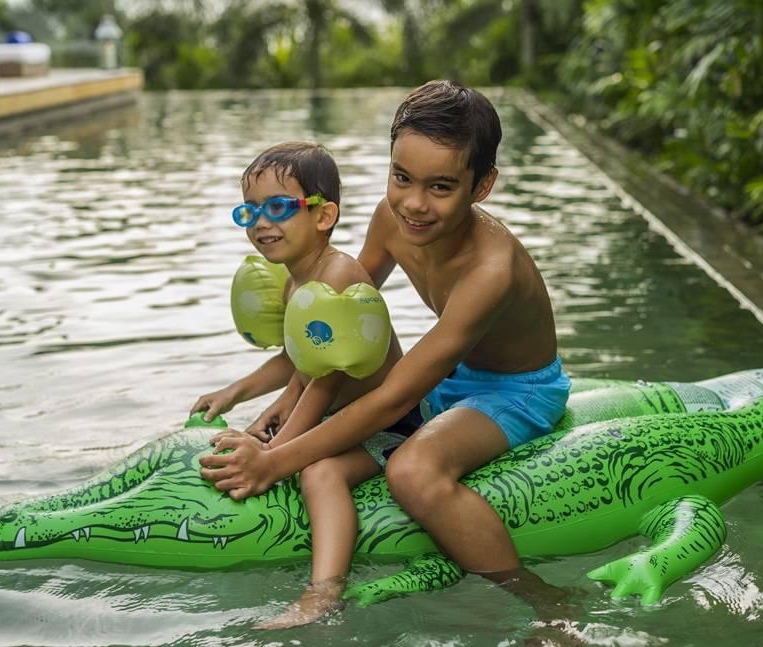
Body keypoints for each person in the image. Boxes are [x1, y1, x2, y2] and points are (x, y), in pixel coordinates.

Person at [199, 81, 574, 619]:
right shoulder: (390, 218)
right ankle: (325, 593)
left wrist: (273, 464)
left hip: (517, 391)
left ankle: (548, 607)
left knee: (412, 471)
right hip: (453, 378)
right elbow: (332, 328)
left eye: (440, 187)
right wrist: (277, 401)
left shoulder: (491, 270)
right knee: (327, 444)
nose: (414, 204)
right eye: (402, 178)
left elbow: (393, 397)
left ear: (482, 185)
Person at [190, 141, 421, 629]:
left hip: (389, 426)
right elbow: (297, 362)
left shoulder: (338, 276)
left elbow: (324, 380)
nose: (260, 223)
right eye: (249, 211)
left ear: (323, 215)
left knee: (318, 474)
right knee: (264, 441)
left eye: (277, 207)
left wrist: (275, 454)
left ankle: (324, 592)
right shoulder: (296, 282)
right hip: (337, 415)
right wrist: (239, 396)